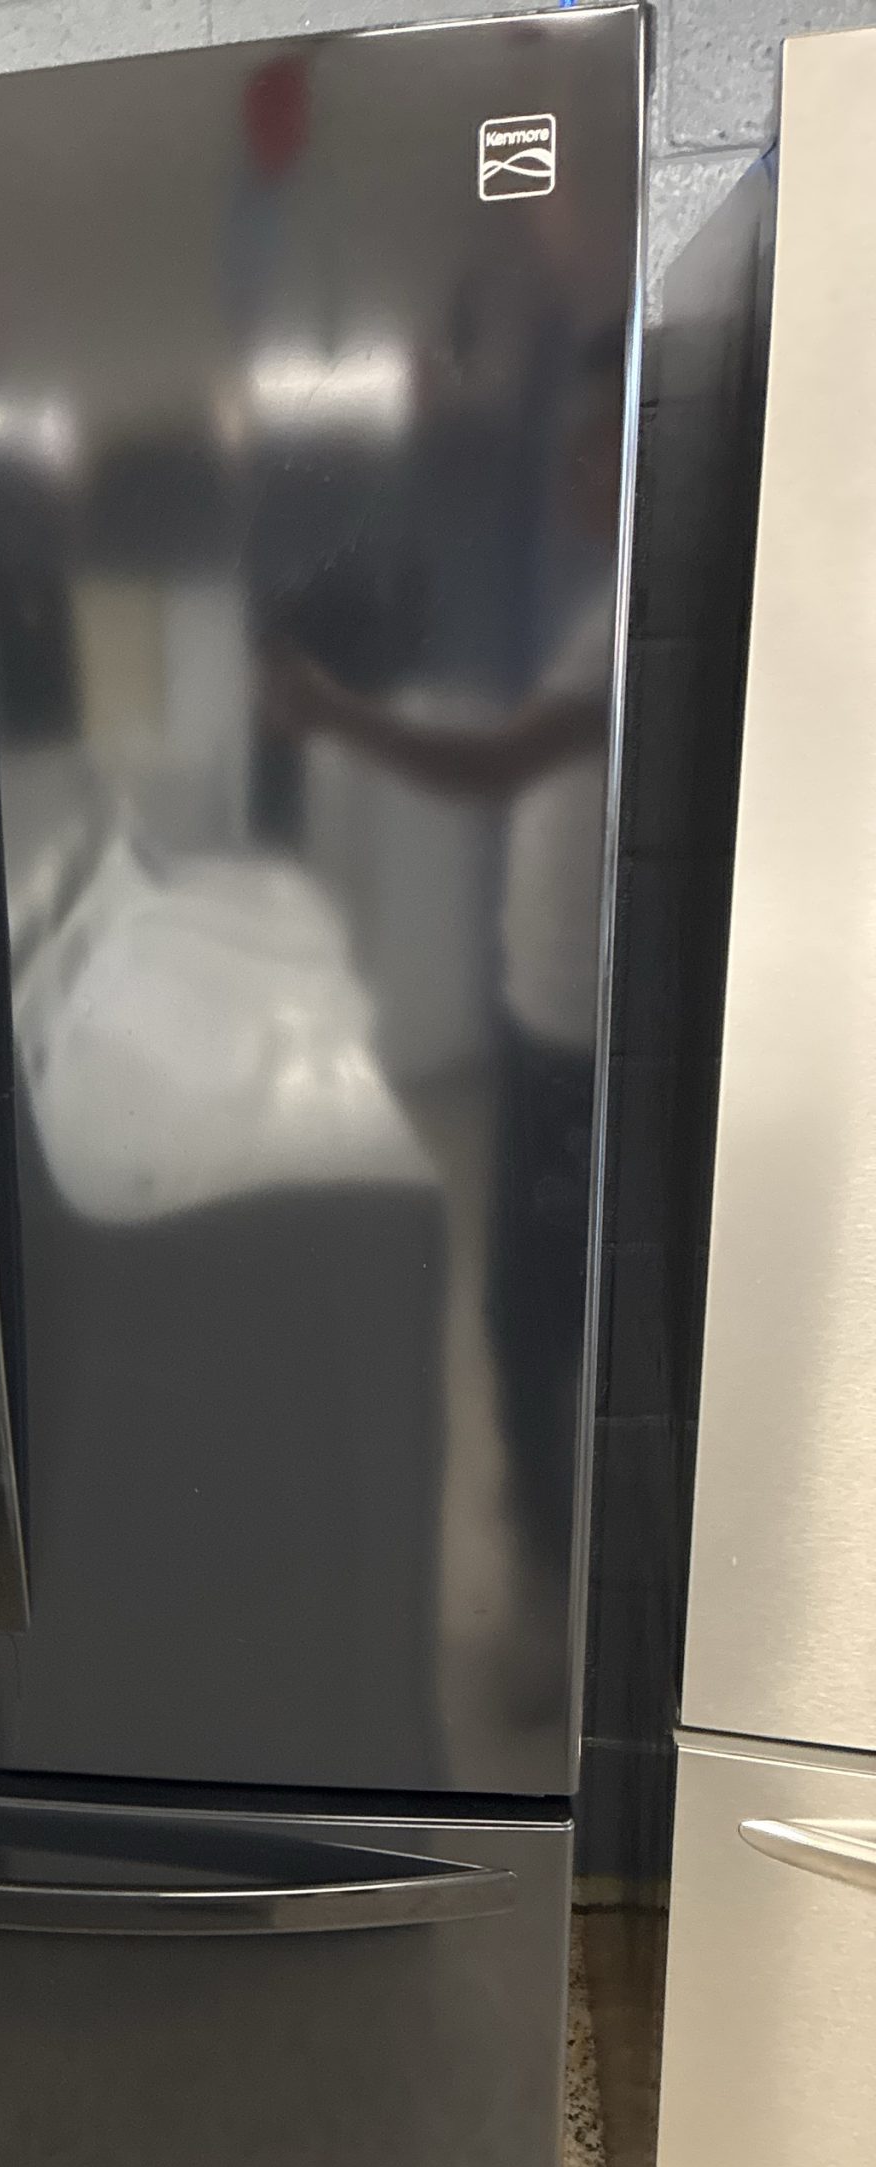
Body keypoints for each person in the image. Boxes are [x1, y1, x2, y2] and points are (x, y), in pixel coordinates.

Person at [268, 333, 624, 1569]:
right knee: (530, 1305)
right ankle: (544, 1531)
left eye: (593, 449)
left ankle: (549, 1560)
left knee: (535, 1311)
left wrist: (333, 713)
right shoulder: (603, 615)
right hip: (548, 1016)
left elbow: (493, 767)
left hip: (575, 1039)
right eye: (570, 449)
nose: (572, 473)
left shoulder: (625, 624)